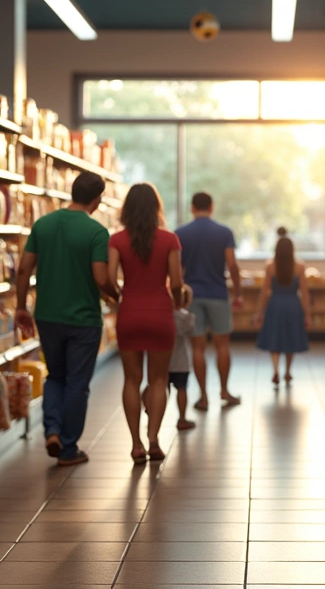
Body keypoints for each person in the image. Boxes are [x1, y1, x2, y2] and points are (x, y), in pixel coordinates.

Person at [15, 171, 113, 466]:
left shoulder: (43, 224)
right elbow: (100, 276)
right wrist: (115, 294)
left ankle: (52, 430)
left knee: (55, 376)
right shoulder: (96, 232)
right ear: (97, 200)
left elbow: (23, 270)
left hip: (47, 316)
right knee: (77, 383)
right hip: (83, 319)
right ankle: (68, 447)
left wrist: (21, 307)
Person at [108, 183, 183, 463]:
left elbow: (108, 278)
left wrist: (118, 296)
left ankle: (135, 444)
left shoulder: (116, 240)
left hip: (130, 312)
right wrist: (178, 300)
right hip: (160, 313)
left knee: (131, 379)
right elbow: (175, 282)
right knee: (158, 380)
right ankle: (153, 440)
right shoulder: (169, 240)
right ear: (156, 208)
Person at [175, 192, 242, 410]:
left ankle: (203, 397)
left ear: (192, 208)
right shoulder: (224, 232)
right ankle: (224, 391)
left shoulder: (181, 233)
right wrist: (238, 292)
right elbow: (232, 265)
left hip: (192, 296)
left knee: (197, 348)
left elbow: (178, 269)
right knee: (222, 346)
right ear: (212, 207)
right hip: (218, 293)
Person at [254, 228, 311, 385]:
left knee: (275, 338)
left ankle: (275, 371)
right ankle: (287, 372)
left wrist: (259, 313)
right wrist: (307, 315)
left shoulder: (270, 266)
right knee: (290, 339)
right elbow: (304, 293)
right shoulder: (300, 267)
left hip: (275, 305)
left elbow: (264, 292)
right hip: (293, 305)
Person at [168, 285, 197, 431]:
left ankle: (152, 410)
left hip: (165, 361)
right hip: (182, 362)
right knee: (182, 389)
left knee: (160, 388)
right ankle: (182, 418)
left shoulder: (165, 316)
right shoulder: (186, 317)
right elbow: (190, 330)